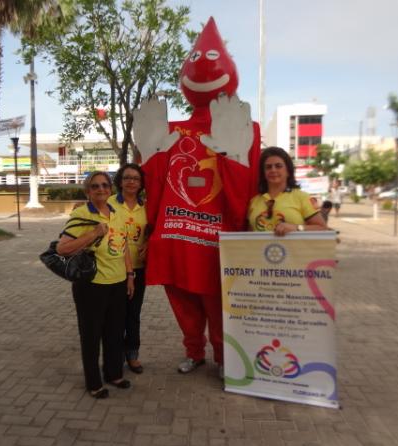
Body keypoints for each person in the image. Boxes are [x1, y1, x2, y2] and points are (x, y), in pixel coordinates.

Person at [134, 17, 261, 377]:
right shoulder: (170, 130)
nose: (203, 66)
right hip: (175, 238)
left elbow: (244, 193)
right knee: (182, 304)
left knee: (218, 305)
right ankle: (194, 351)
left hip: (215, 243)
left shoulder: (241, 125)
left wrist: (237, 155)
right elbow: (154, 182)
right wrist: (149, 154)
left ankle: (223, 357)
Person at [56, 171, 135, 399]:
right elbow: (63, 248)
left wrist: (130, 275)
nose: (100, 189)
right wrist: (93, 233)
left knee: (114, 332)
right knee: (91, 335)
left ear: (110, 189)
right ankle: (94, 382)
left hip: (118, 283)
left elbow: (124, 246)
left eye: (104, 185)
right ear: (88, 191)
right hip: (92, 286)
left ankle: (114, 374)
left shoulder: (118, 213)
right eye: (95, 186)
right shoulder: (82, 214)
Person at [109, 164, 148, 374]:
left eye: (136, 178)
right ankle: (113, 357)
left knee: (133, 314)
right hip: (114, 268)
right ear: (120, 181)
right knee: (115, 315)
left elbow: (155, 230)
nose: (131, 182)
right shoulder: (109, 204)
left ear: (141, 184)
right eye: (127, 178)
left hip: (139, 269)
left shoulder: (148, 207)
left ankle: (132, 354)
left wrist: (149, 242)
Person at [248, 147, 328, 235]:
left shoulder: (302, 197)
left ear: (288, 171)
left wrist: (296, 228)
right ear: (263, 173)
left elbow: (323, 228)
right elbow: (249, 236)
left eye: (278, 166)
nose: (273, 170)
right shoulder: (254, 201)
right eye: (268, 167)